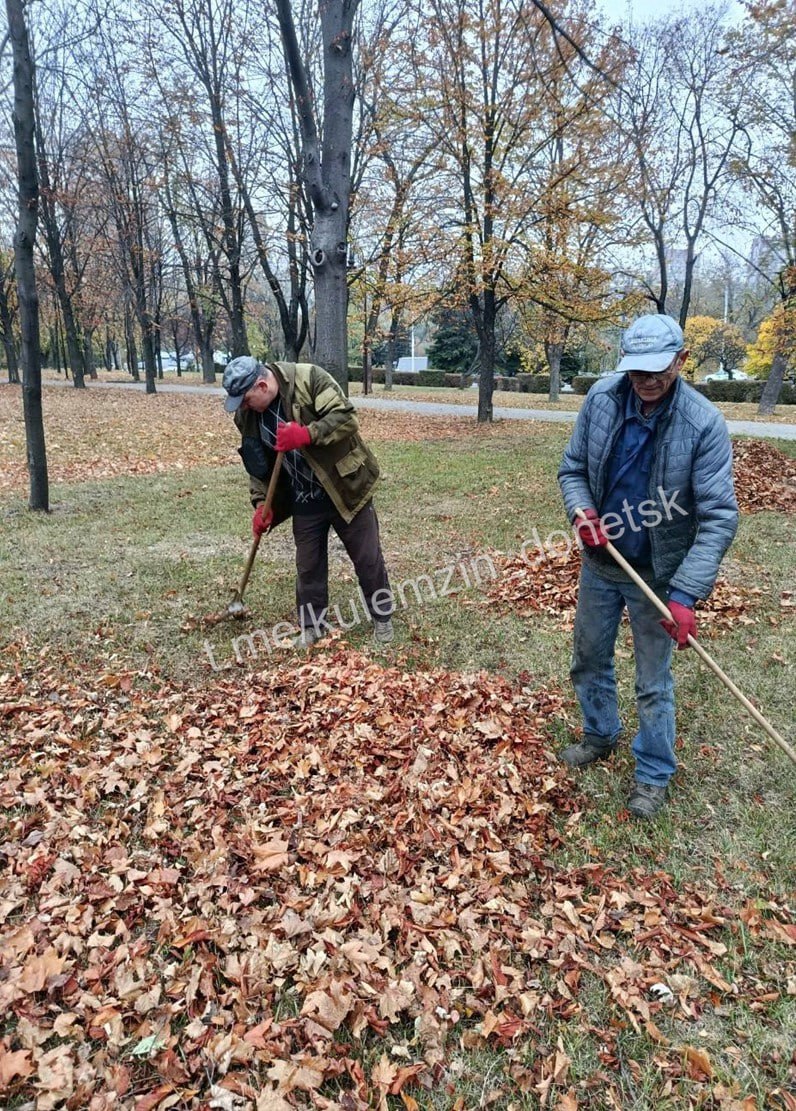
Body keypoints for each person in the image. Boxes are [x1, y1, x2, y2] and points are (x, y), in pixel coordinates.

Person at [557, 314, 739, 819]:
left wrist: (684, 595)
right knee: (589, 657)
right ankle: (599, 735)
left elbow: (719, 517)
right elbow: (572, 469)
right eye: (637, 370)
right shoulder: (601, 400)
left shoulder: (703, 423)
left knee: (652, 681)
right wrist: (582, 511)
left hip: (658, 573)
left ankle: (654, 773)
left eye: (658, 369)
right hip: (603, 561)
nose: (646, 380)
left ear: (682, 361)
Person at [222, 356, 394, 647]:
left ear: (262, 386)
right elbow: (257, 465)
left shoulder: (309, 380)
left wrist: (306, 434)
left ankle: (382, 617)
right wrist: (261, 504)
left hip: (344, 485)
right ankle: (313, 626)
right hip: (303, 495)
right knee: (308, 567)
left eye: (246, 400)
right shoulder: (247, 416)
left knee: (367, 558)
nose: (243, 407)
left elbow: (347, 418)